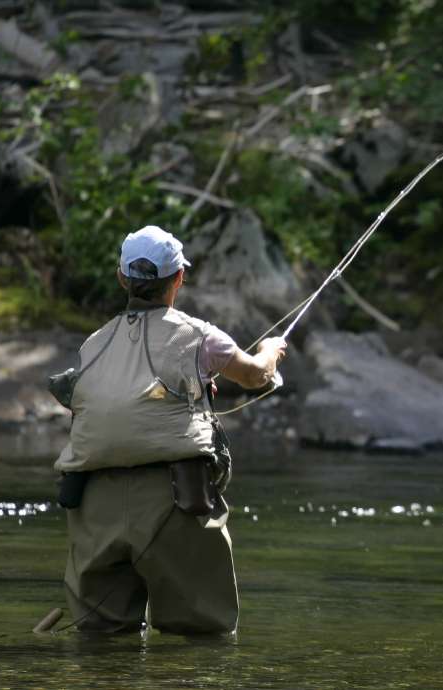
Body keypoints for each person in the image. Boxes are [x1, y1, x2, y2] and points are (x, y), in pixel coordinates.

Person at [52, 225, 286, 634]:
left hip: (93, 506)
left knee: (100, 639)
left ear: (121, 277)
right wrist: (272, 350)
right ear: (178, 278)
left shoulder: (93, 344)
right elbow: (254, 375)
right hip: (175, 500)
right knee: (202, 636)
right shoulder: (199, 336)